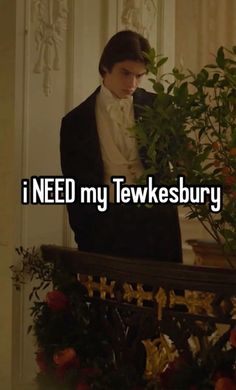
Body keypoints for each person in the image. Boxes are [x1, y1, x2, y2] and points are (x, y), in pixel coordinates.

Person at [60, 30, 182, 262]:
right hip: (105, 227)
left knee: (159, 297)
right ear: (105, 67)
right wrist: (86, 240)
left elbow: (178, 161)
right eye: (125, 73)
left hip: (156, 226)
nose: (132, 83)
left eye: (139, 76)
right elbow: (73, 190)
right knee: (111, 297)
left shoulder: (160, 108)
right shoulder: (75, 122)